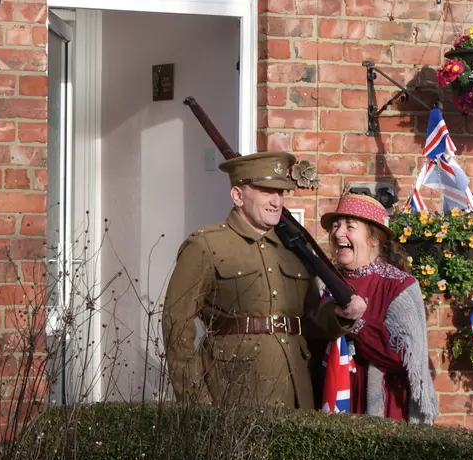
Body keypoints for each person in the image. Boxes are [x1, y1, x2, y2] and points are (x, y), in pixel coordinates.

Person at [161, 151, 367, 407]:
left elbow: (309, 320)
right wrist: (197, 402)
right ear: (237, 195)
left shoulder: (294, 249)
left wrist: (339, 315)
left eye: (280, 193)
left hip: (296, 391)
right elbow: (176, 324)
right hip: (232, 392)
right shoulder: (206, 245)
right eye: (266, 191)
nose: (276, 201)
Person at [320, 192, 439, 423]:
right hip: (329, 394)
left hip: (384, 406)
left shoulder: (398, 285)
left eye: (350, 226)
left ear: (374, 239)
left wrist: (355, 323)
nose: (338, 233)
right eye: (336, 225)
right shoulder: (323, 282)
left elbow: (405, 358)